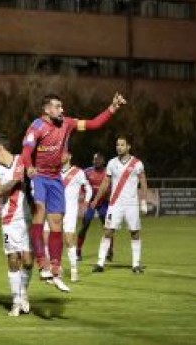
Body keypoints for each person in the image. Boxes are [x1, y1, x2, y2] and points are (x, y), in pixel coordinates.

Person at [20, 92, 126, 292]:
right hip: (39, 177)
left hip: (55, 178)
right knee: (39, 212)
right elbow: (26, 151)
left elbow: (94, 124)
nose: (62, 110)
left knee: (56, 223)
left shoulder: (67, 123)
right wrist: (28, 167)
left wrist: (113, 108)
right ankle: (41, 263)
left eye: (62, 106)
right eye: (58, 106)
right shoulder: (37, 126)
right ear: (47, 109)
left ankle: (55, 268)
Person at [0, 135, 32, 316]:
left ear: (0, 148)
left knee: (28, 261)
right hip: (10, 220)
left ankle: (23, 294)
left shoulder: (23, 160)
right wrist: (15, 179)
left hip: (30, 217)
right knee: (13, 259)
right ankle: (16, 301)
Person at [91, 135, 148, 274]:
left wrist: (143, 201)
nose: (119, 147)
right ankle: (100, 263)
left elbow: (143, 182)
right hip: (115, 203)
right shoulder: (111, 163)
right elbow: (105, 183)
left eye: (122, 145)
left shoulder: (137, 163)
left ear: (128, 146)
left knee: (134, 233)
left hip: (131, 204)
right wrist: (96, 199)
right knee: (108, 231)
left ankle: (135, 264)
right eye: (117, 145)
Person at [44, 151, 92, 282]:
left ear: (70, 156)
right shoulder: (53, 172)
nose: (60, 156)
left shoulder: (78, 172)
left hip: (70, 212)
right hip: (53, 210)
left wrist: (86, 203)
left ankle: (74, 270)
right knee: (46, 239)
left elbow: (89, 188)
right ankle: (51, 270)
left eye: (63, 154)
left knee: (69, 240)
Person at [77, 152, 112, 261]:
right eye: (94, 159)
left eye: (98, 159)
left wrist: (109, 196)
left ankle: (109, 250)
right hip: (90, 202)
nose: (96, 161)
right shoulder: (87, 172)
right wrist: (82, 199)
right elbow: (81, 186)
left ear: (103, 161)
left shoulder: (108, 172)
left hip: (103, 203)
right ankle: (78, 250)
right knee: (85, 225)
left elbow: (113, 186)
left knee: (108, 227)